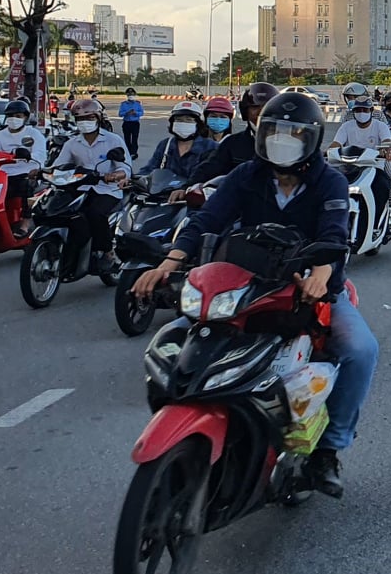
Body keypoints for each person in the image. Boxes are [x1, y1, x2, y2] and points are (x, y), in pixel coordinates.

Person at [132, 92, 378, 499]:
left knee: (360, 349)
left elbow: (335, 236)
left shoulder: (329, 181)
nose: (282, 141)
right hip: (243, 284)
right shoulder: (246, 175)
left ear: (311, 139)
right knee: (178, 338)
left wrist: (320, 275)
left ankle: (329, 450)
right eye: (275, 132)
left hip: (306, 288)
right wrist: (168, 263)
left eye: (293, 134)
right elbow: (206, 220)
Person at [49, 96, 132, 271]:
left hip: (106, 188)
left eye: (89, 118)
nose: (84, 122)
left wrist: (116, 175)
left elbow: (125, 166)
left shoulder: (113, 140)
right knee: (61, 212)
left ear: (98, 118)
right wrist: (43, 171)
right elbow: (59, 165)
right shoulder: (72, 143)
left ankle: (108, 252)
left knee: (95, 213)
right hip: (79, 186)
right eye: (80, 119)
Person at [334, 93, 391, 231]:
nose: (361, 113)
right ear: (353, 112)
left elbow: (387, 141)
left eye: (365, 110)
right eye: (358, 110)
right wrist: (327, 151)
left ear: (371, 111)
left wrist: (388, 151)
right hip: (351, 164)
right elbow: (336, 143)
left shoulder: (380, 126)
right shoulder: (346, 126)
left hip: (377, 162)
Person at [193, 82, 278, 182]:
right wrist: (187, 187)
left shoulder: (289, 143)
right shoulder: (231, 143)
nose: (261, 112)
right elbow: (207, 170)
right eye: (255, 107)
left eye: (267, 107)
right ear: (245, 111)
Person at [139, 100, 212, 194]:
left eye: (189, 120)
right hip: (163, 195)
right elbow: (150, 169)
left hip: (193, 197)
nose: (183, 123)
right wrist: (133, 179)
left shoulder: (210, 146)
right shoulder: (166, 144)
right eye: (179, 120)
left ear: (198, 124)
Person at [0, 101, 48, 180]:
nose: (14, 119)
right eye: (10, 116)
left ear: (25, 117)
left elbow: (41, 155)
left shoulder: (34, 134)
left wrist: (29, 155)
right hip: (4, 174)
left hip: (27, 174)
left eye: (18, 116)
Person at [118, 87, 145, 160]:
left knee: (134, 138)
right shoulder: (123, 104)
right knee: (127, 138)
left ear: (135, 94)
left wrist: (135, 113)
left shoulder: (137, 104)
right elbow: (120, 114)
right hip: (126, 123)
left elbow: (141, 113)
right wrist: (126, 113)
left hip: (135, 123)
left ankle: (134, 152)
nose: (130, 95)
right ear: (127, 95)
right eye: (129, 94)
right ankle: (128, 152)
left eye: (132, 94)